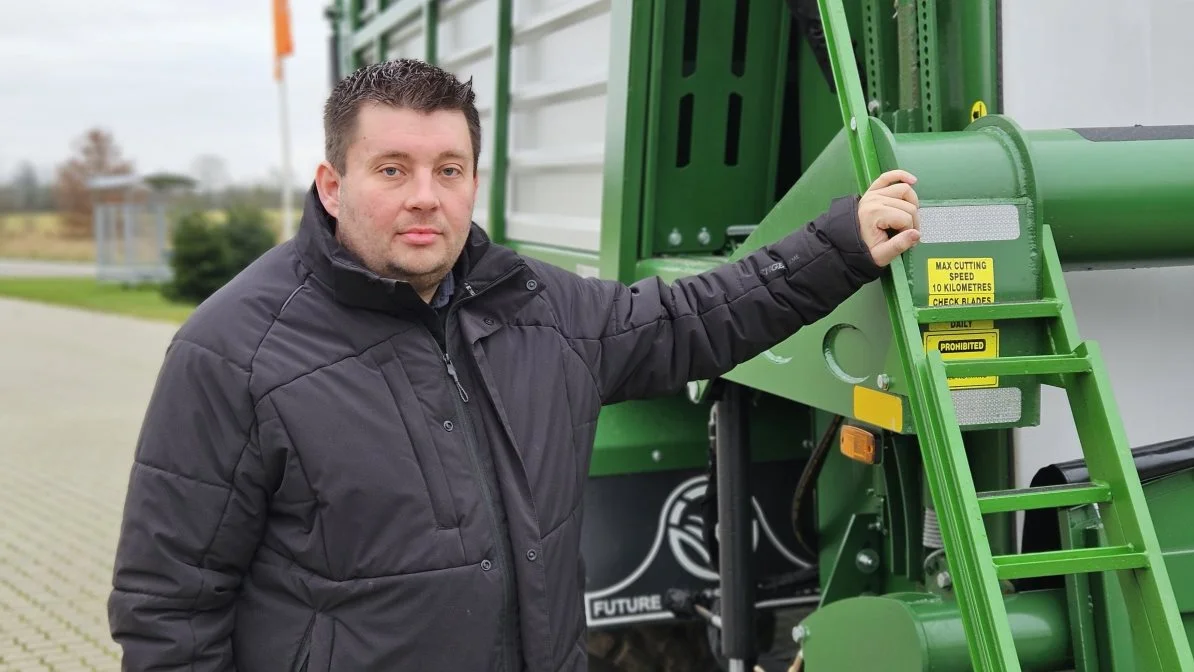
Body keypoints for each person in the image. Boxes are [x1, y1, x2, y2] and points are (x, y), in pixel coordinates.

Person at [107, 58, 920, 671]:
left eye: (448, 170)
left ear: (471, 182)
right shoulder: (234, 352)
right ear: (331, 184)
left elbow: (693, 318)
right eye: (392, 170)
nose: (425, 196)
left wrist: (839, 245)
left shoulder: (536, 309)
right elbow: (170, 608)